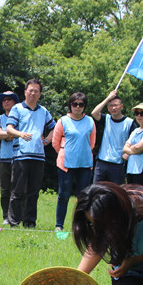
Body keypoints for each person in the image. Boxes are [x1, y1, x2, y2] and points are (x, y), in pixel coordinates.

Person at [5, 79, 56, 228]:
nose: (33, 93)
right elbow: (9, 129)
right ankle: (14, 222)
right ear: (25, 92)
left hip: (38, 156)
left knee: (33, 192)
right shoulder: (17, 108)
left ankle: (30, 222)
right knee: (17, 190)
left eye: (36, 91)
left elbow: (54, 127)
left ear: (40, 94)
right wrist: (20, 134)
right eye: (30, 90)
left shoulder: (43, 111)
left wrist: (47, 141)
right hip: (21, 154)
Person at [52, 92, 96, 231]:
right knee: (63, 194)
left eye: (81, 104)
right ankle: (59, 225)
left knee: (83, 197)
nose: (77, 107)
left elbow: (92, 142)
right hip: (66, 164)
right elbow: (55, 142)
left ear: (84, 106)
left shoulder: (90, 121)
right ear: (70, 105)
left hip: (85, 163)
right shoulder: (63, 121)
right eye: (74, 104)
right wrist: (65, 153)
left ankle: (81, 225)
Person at [90, 90, 134, 185]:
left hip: (117, 164)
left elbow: (136, 139)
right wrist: (108, 98)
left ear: (121, 107)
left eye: (116, 105)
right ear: (108, 108)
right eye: (111, 105)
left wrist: (128, 153)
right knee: (96, 191)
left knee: (115, 194)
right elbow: (94, 113)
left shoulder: (129, 123)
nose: (113, 108)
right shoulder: (106, 119)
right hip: (101, 162)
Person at [0, 91, 20, 224]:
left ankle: (17, 216)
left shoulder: (20, 116)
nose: (7, 102)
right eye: (4, 100)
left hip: (18, 157)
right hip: (3, 158)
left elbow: (20, 133)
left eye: (10, 100)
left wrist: (8, 134)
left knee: (19, 189)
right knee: (5, 190)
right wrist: (9, 134)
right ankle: (6, 216)